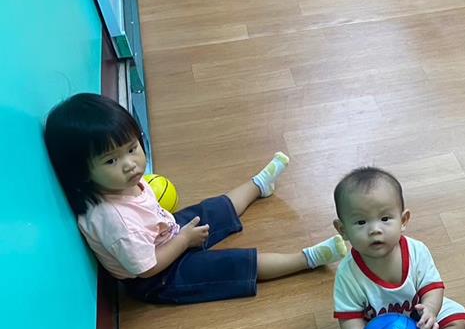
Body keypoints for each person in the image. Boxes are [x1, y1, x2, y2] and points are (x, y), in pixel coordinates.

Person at [44, 93, 344, 305]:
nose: (130, 164)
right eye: (111, 160)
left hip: (165, 232)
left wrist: (180, 235)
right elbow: (146, 268)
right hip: (157, 278)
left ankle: (258, 185)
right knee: (234, 264)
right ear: (82, 172)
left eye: (132, 149)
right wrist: (184, 240)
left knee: (212, 209)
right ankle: (307, 259)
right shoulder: (115, 222)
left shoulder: (121, 183)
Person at [332, 167, 465, 329]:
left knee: (456, 316)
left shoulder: (417, 251)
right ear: (343, 230)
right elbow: (349, 317)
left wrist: (430, 310)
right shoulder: (347, 273)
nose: (375, 229)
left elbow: (433, 287)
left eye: (385, 218)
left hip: (417, 319)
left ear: (403, 220)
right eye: (361, 222)